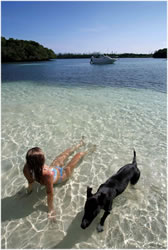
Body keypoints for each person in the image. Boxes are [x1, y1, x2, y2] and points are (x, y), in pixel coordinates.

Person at [23, 138, 96, 219]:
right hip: (62, 175)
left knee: (64, 155)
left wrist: (28, 191)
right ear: (42, 161)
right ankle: (84, 148)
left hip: (53, 169)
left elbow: (30, 182)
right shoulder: (47, 175)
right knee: (75, 157)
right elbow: (50, 194)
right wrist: (51, 210)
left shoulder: (26, 168)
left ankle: (81, 146)